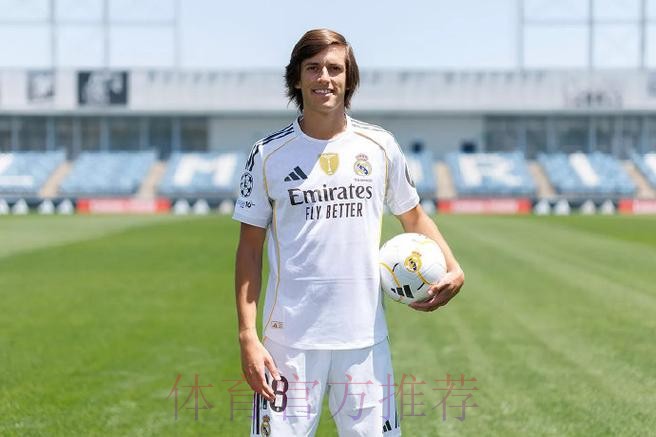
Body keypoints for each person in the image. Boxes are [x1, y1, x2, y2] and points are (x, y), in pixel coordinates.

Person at [233, 28, 464, 437]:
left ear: (349, 78)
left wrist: (453, 267)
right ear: (297, 78)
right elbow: (249, 249)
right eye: (313, 68)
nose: (324, 77)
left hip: (364, 340)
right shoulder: (268, 154)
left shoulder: (379, 146)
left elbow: (413, 217)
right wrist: (247, 335)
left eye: (335, 68)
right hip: (287, 345)